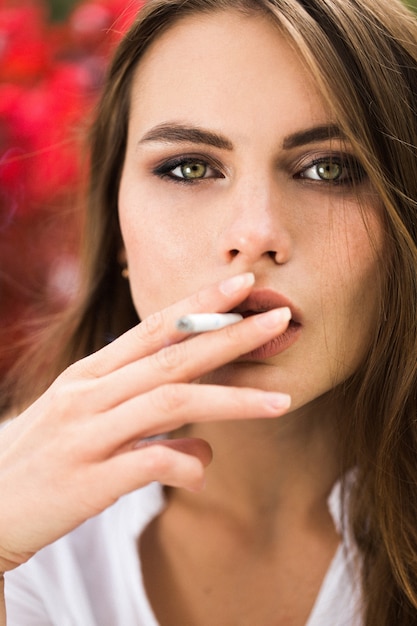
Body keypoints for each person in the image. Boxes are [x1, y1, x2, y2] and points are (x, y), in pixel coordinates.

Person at [1, 0, 417, 623]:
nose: (255, 234)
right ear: (116, 232)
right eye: (188, 167)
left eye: (329, 169)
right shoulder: (30, 538)